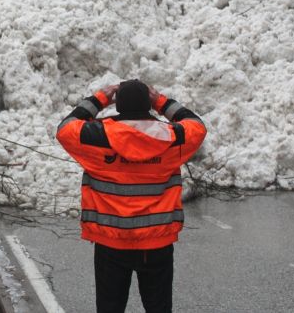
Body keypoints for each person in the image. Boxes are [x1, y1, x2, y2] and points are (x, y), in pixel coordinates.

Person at [55, 79, 207, 313]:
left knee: (109, 308)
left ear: (119, 105)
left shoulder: (97, 136)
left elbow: (66, 128)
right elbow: (196, 126)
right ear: (148, 105)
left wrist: (100, 98)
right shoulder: (170, 138)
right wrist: (161, 102)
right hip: (157, 244)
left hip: (110, 243)